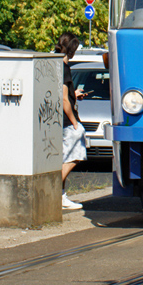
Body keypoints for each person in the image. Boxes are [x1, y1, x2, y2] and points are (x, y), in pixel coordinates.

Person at [56, 32, 87, 210]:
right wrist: (74, 122)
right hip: (67, 122)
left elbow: (65, 95)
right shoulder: (64, 68)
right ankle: (56, 191)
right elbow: (64, 100)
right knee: (76, 155)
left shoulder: (53, 64)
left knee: (65, 155)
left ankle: (60, 194)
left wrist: (74, 95)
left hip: (56, 120)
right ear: (72, 50)